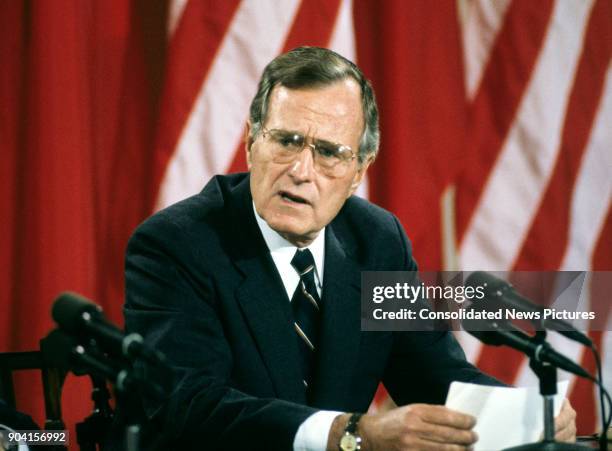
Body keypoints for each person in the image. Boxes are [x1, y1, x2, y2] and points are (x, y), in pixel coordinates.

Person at [124, 46, 576, 450]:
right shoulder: (177, 245)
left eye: (328, 152)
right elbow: (192, 405)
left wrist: (525, 417)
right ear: (251, 143)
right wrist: (351, 433)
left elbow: (432, 374)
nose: (302, 170)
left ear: (358, 169)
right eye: (287, 141)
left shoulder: (377, 241)